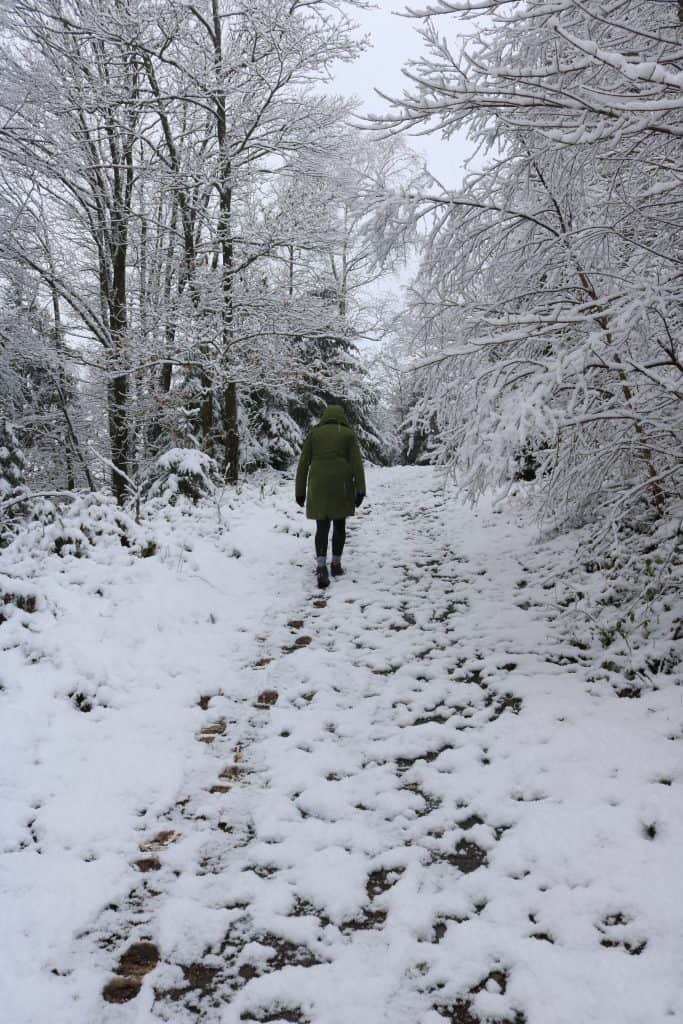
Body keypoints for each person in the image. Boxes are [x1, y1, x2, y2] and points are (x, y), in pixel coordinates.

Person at [295, 404, 366, 588]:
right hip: (341, 485)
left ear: (325, 416)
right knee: (339, 524)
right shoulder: (348, 435)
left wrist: (300, 491)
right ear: (342, 417)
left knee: (322, 526)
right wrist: (361, 489)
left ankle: (320, 566)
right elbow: (357, 464)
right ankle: (335, 564)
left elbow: (303, 464)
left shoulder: (314, 434)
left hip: (318, 485)